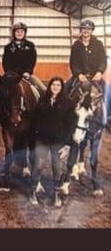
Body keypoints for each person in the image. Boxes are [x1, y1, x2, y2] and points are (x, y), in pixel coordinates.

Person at [29, 77, 75, 207]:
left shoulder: (68, 103)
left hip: (58, 141)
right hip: (42, 139)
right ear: (49, 86)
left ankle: (56, 195)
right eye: (53, 85)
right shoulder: (42, 101)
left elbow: (71, 125)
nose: (55, 87)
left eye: (58, 85)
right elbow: (34, 122)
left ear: (62, 88)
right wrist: (32, 141)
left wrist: (67, 144)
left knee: (57, 167)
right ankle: (32, 191)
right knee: (39, 165)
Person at [0, 22, 46, 94]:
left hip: (26, 75)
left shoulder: (30, 46)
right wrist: (9, 73)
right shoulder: (8, 47)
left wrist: (28, 72)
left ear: (25, 33)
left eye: (22, 32)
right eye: (17, 31)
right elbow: (5, 62)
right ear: (14, 33)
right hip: (11, 75)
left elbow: (32, 60)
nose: (19, 33)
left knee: (44, 89)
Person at [65, 19, 107, 97]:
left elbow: (103, 61)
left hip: (95, 75)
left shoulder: (98, 44)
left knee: (108, 92)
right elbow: (73, 63)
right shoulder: (75, 45)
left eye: (88, 29)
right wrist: (79, 74)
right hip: (80, 76)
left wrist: (99, 72)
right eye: (84, 28)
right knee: (64, 89)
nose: (86, 31)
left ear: (91, 31)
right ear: (81, 30)